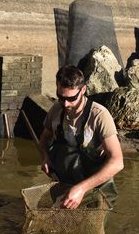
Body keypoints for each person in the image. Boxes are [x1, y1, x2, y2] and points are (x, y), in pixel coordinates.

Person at [39, 65, 124, 209]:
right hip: (65, 184)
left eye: (71, 98)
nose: (66, 104)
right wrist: (45, 157)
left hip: (95, 191)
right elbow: (43, 140)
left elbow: (117, 162)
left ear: (83, 90)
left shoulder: (99, 116)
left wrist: (81, 189)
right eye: (61, 97)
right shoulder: (56, 109)